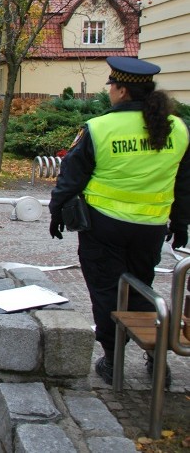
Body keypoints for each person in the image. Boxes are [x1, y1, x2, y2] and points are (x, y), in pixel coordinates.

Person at [49, 56, 190, 387]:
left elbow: (71, 178)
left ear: (123, 90)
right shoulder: (178, 129)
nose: (110, 90)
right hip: (152, 227)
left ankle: (113, 360)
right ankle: (158, 353)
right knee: (141, 287)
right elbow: (184, 182)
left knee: (106, 291)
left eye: (111, 85)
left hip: (103, 227)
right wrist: (182, 222)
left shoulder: (100, 128)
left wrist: (56, 212)